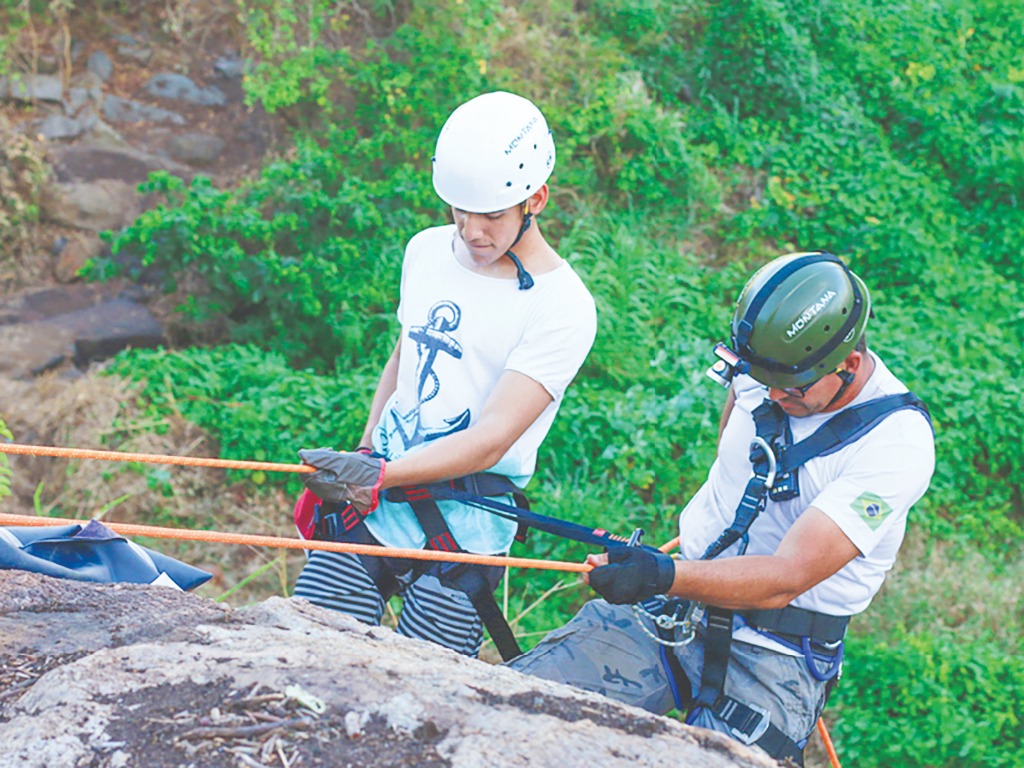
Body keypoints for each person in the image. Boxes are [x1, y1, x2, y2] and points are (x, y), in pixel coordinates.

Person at [507, 252, 935, 765]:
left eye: (791, 388)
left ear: (847, 364)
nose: (772, 394)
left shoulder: (895, 446)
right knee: (516, 717)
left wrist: (662, 574)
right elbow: (731, 460)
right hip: (674, 609)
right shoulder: (765, 368)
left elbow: (786, 576)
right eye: (761, 377)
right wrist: (673, 571)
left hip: (775, 655)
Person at [291, 91, 597, 661]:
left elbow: (492, 438)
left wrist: (380, 473)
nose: (471, 230)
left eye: (491, 216)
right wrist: (365, 448)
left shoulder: (562, 306)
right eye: (459, 210)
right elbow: (406, 354)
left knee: (422, 698)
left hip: (467, 529)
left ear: (537, 200)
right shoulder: (427, 251)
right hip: (375, 502)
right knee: (307, 654)